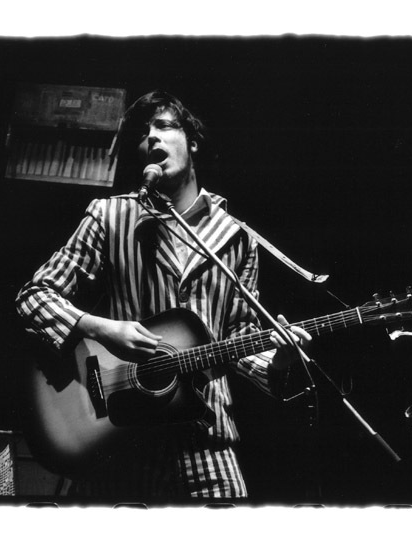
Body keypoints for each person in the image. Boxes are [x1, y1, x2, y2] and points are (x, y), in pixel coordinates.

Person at [15, 90, 311, 501]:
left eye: (165, 126)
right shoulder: (110, 215)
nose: (152, 137)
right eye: (142, 133)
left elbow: (240, 340)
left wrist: (278, 360)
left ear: (193, 141)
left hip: (205, 436)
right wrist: (101, 328)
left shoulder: (237, 238)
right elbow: (34, 295)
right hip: (121, 438)